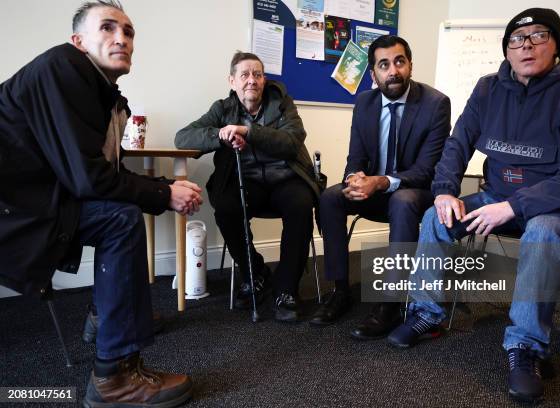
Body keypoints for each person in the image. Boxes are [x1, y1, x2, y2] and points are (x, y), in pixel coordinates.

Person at [388, 8, 560, 403]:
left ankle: (525, 348)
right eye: (516, 39)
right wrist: (443, 191)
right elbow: (458, 144)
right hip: (497, 193)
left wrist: (514, 207)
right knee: (434, 218)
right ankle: (427, 314)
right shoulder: (488, 89)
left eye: (538, 35)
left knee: (541, 229)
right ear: (506, 50)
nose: (526, 45)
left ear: (557, 44)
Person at [0, 1, 203, 406]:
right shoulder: (63, 68)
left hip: (38, 199)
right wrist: (164, 194)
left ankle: (106, 317)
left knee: (120, 212)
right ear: (78, 42)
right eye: (108, 28)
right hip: (15, 211)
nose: (122, 38)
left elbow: (96, 171)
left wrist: (162, 188)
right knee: (122, 219)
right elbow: (90, 179)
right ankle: (114, 376)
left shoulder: (99, 92)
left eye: (128, 32)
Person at [309, 35, 451, 341]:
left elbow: (427, 170)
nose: (393, 70)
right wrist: (353, 181)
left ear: (410, 65)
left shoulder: (435, 104)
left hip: (417, 191)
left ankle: (391, 303)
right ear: (373, 74)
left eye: (399, 61)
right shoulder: (364, 102)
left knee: (401, 200)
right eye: (384, 65)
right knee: (331, 197)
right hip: (374, 191)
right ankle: (340, 290)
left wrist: (381, 181)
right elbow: (355, 157)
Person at [175, 52, 320, 322]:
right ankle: (254, 273)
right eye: (244, 75)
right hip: (246, 181)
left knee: (301, 205)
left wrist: (247, 131)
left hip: (286, 178)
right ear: (232, 81)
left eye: (257, 74)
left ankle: (286, 289)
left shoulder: (282, 103)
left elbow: (293, 139)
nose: (251, 80)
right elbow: (183, 137)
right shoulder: (222, 108)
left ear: (264, 80)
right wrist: (221, 134)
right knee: (226, 207)